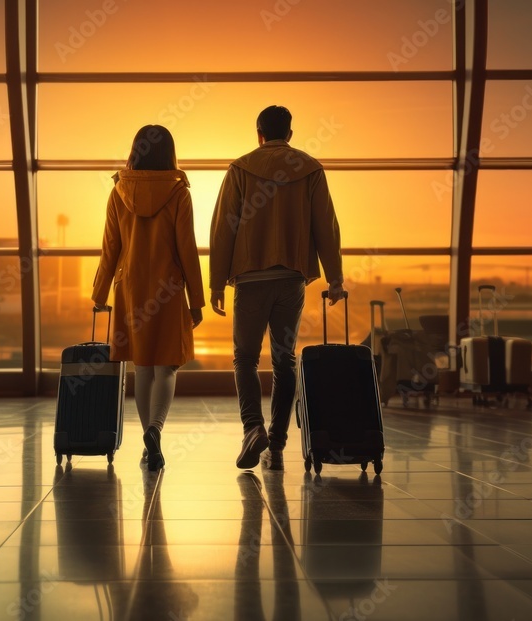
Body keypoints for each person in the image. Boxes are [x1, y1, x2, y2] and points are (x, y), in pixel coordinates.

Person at [210, 105, 344, 470]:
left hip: (250, 279)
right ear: (289, 133)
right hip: (290, 279)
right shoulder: (311, 169)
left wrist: (216, 283)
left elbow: (224, 227)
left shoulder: (240, 168)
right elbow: (325, 226)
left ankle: (252, 428)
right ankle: (279, 442)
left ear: (258, 133)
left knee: (245, 358)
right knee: (284, 359)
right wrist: (335, 278)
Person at [92, 125, 205, 471]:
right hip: (168, 288)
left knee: (142, 367)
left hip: (130, 287)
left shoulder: (118, 192)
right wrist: (196, 299)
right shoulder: (178, 193)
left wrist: (100, 291)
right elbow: (187, 248)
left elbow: (111, 246)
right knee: (166, 364)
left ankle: (148, 444)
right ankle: (155, 430)